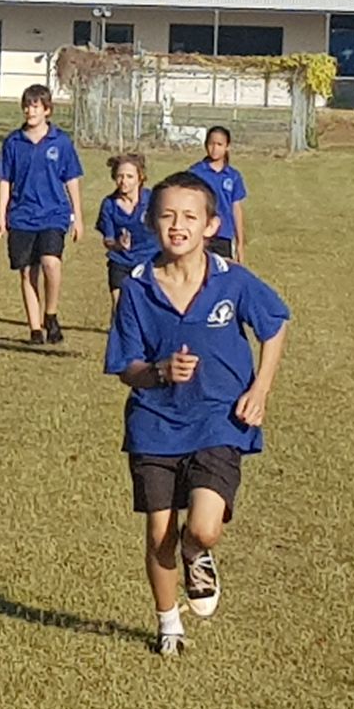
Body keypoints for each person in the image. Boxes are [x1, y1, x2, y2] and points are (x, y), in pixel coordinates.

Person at [104, 170, 289, 656]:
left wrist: (261, 388)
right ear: (150, 222)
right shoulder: (139, 288)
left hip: (218, 419)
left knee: (203, 527)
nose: (177, 225)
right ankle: (169, 626)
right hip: (155, 424)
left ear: (211, 225)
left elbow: (275, 325)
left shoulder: (233, 280)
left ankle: (196, 553)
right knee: (158, 531)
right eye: (166, 216)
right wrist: (159, 371)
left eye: (189, 216)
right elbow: (126, 367)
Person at [0, 83, 84, 344]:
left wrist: (78, 217)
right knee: (27, 271)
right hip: (22, 215)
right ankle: (35, 329)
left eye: (35, 106)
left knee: (51, 262)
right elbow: (4, 180)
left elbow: (72, 179)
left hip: (53, 213)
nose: (29, 110)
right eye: (26, 105)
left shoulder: (61, 142)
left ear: (47, 110)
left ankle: (51, 313)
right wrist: (1, 217)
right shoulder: (13, 142)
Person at [96, 152, 158, 308]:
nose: (124, 181)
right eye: (120, 176)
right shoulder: (109, 205)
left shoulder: (153, 201)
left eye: (129, 176)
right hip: (121, 261)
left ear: (140, 177)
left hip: (149, 260)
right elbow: (107, 239)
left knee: (147, 308)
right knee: (119, 309)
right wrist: (118, 244)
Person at [189, 126, 246, 262]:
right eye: (211, 144)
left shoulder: (233, 176)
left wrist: (240, 244)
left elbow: (236, 209)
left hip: (223, 235)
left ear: (227, 147)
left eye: (219, 144)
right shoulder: (196, 172)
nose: (215, 148)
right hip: (201, 233)